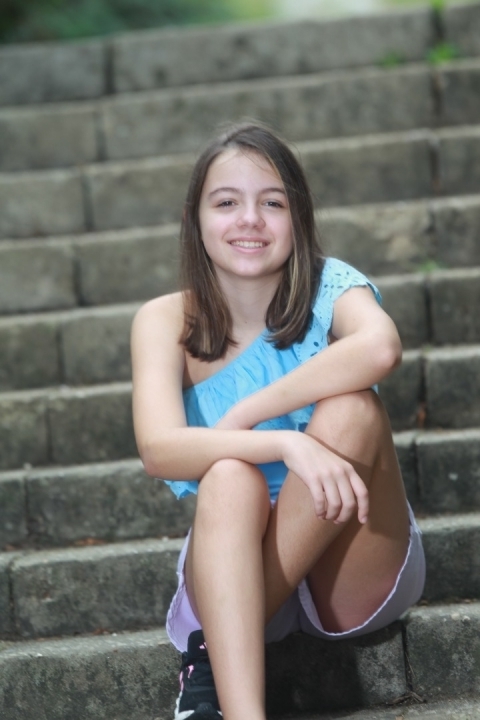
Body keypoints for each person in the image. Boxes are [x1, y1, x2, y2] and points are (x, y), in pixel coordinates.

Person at [131, 121, 426, 720]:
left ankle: (209, 652)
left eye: (272, 203)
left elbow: (380, 349)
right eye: (226, 203)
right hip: (231, 551)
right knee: (229, 475)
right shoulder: (164, 320)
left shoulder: (331, 286)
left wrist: (249, 414)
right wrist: (287, 446)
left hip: (349, 557)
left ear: (299, 218)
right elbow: (159, 450)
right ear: (194, 220)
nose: (250, 220)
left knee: (353, 409)